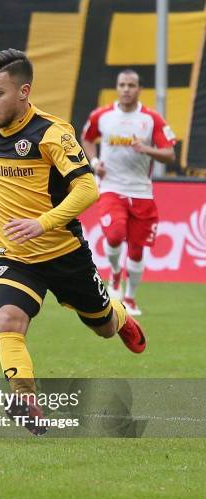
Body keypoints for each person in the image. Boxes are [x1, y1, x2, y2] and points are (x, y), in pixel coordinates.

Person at [0, 49, 146, 436]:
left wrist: (43, 223)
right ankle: (25, 397)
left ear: (23, 92)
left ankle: (120, 314)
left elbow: (87, 188)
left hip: (63, 252)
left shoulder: (51, 133)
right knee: (9, 319)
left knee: (104, 328)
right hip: (13, 254)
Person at [81, 69, 176, 315]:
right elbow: (87, 139)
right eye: (122, 85)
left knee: (136, 248)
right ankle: (114, 276)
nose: (125, 89)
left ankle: (131, 298)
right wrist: (94, 163)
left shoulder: (151, 119)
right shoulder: (102, 116)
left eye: (131, 85)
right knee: (113, 235)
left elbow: (169, 154)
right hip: (111, 187)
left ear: (139, 89)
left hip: (142, 192)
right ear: (117, 87)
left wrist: (145, 148)